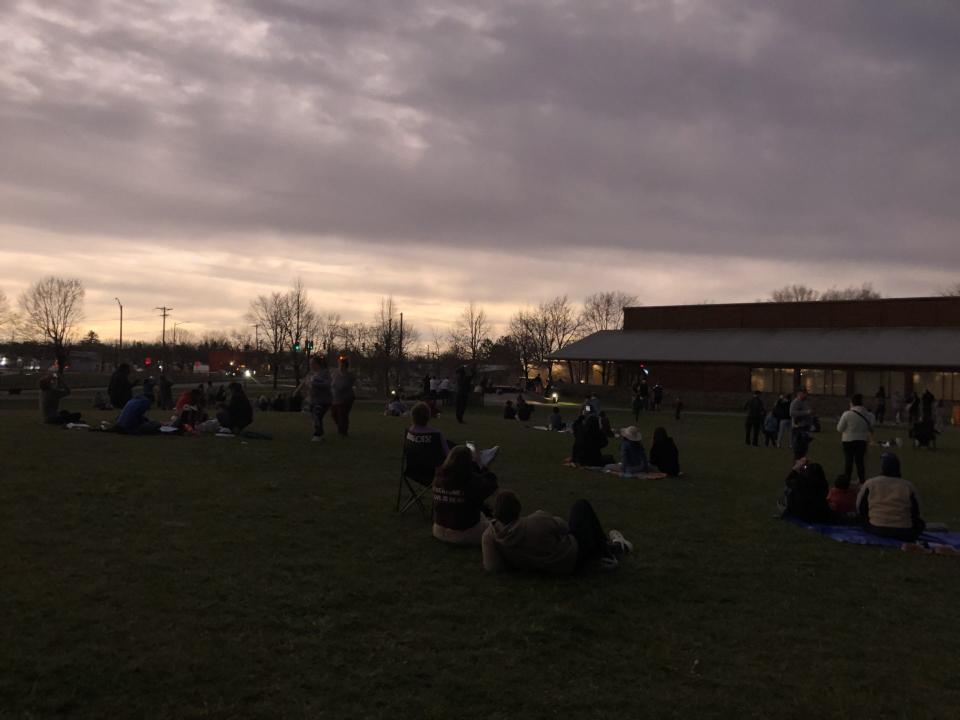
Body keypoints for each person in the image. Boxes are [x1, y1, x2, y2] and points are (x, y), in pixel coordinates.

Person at [482, 490, 631, 573]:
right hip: (572, 557)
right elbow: (564, 527)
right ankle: (610, 550)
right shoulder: (536, 520)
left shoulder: (492, 536)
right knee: (580, 506)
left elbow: (493, 567)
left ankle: (605, 551)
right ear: (518, 508)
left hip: (546, 567)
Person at [432, 445, 498, 545]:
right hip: (464, 534)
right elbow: (492, 484)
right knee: (498, 527)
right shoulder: (471, 482)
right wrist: (482, 467)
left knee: (481, 513)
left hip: (439, 529)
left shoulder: (439, 477)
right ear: (469, 463)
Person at [857, 453, 925, 542]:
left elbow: (860, 506)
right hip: (904, 530)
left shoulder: (870, 483)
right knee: (920, 524)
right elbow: (916, 511)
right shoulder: (908, 486)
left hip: (877, 527)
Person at [837, 393, 874, 485]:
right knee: (860, 462)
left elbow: (839, 428)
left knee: (848, 461)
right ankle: (861, 480)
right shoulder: (868, 415)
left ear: (852, 403)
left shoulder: (847, 414)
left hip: (848, 440)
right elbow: (871, 425)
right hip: (862, 440)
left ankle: (847, 480)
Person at [296, 356, 332, 442]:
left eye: (312, 364)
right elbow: (304, 383)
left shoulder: (325, 373)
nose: (311, 366)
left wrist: (314, 383)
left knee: (317, 415)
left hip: (323, 400)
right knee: (313, 416)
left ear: (317, 364)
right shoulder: (311, 374)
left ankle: (318, 435)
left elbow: (327, 384)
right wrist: (296, 391)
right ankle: (320, 433)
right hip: (313, 399)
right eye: (310, 364)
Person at [331, 357, 356, 437]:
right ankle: (341, 428)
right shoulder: (335, 373)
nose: (340, 367)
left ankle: (343, 432)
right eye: (339, 365)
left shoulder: (350, 376)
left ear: (346, 366)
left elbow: (353, 384)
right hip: (335, 398)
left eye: (342, 365)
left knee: (342, 414)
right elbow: (331, 383)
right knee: (334, 414)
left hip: (346, 398)